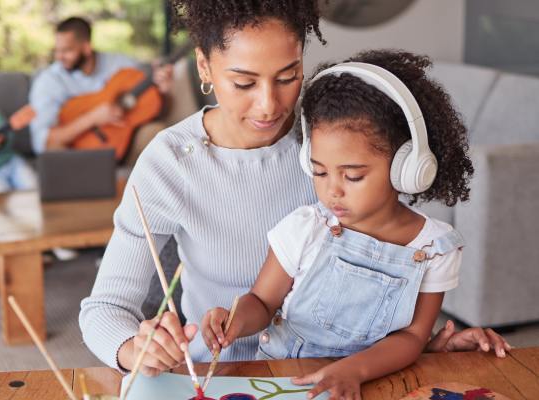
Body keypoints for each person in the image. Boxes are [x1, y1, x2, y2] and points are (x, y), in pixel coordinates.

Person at [79, 0, 510, 377]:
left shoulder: (335, 138)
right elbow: (104, 309)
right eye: (244, 83)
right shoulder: (170, 162)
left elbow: (377, 270)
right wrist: (132, 349)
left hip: (345, 371)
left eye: (288, 77)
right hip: (225, 372)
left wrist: (424, 343)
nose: (269, 105)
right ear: (204, 66)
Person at [201, 49, 482, 400]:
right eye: (319, 171)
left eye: (352, 175)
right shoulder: (306, 227)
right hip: (288, 383)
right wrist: (234, 320)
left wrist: (353, 369)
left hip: (372, 381)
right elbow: (261, 301)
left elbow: (412, 337)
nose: (332, 190)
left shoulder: (433, 247)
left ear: (405, 168)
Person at [28, 16, 174, 156]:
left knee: (157, 131)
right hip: (77, 155)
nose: (59, 57)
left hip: (122, 143)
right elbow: (43, 142)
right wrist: (92, 118)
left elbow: (152, 107)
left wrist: (163, 90)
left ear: (86, 47)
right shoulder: (49, 81)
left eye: (67, 51)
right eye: (57, 51)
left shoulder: (120, 65)